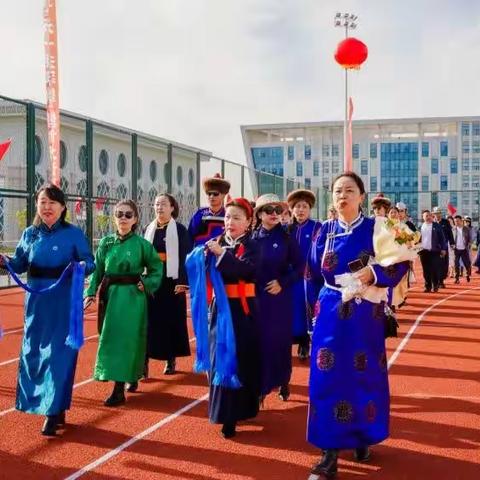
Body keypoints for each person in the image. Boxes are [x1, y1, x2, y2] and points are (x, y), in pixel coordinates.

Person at [307, 172, 409, 478]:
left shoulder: (378, 228)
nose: (342, 196)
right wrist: (310, 315)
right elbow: (311, 274)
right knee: (327, 380)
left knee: (364, 376)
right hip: (329, 313)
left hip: (365, 314)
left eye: (349, 190)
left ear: (361, 196)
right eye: (338, 191)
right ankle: (329, 452)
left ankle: (363, 435)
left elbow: (401, 263)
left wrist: (374, 275)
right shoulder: (323, 231)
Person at [0, 184, 95, 436]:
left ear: (63, 207)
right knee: (34, 356)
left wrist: (80, 267)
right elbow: (19, 263)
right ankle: (52, 405)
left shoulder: (73, 233)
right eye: (42, 202)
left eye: (52, 202)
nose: (46, 207)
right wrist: (4, 261)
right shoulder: (30, 233)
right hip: (36, 304)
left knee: (57, 357)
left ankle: (53, 412)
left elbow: (90, 262)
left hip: (63, 303)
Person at [84, 200, 163, 406]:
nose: (123, 218)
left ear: (136, 219)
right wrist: (90, 292)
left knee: (128, 340)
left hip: (132, 299)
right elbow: (98, 270)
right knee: (110, 339)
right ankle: (128, 376)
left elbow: (156, 268)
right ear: (114, 217)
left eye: (128, 215)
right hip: (109, 298)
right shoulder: (106, 243)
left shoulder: (142, 245)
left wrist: (146, 284)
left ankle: (119, 388)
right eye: (119, 214)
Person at [201, 198, 260, 439]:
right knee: (219, 357)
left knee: (240, 358)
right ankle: (223, 412)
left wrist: (221, 256)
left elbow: (247, 270)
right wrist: (203, 257)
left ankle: (238, 412)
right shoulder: (216, 243)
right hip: (220, 309)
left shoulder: (254, 246)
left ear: (248, 222)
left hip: (243, 310)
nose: (230, 222)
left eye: (236, 218)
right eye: (227, 217)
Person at [251, 194, 303, 402]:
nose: (273, 214)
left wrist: (283, 282)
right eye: (268, 210)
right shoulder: (252, 237)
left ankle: (283, 380)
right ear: (259, 214)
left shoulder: (287, 237)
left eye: (277, 210)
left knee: (279, 342)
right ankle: (260, 388)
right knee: (259, 343)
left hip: (279, 299)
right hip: (255, 299)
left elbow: (300, 267)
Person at [143, 193, 192, 380]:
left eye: (163, 204)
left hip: (172, 281)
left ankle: (170, 359)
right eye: (156, 204)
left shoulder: (179, 230)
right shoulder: (149, 228)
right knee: (148, 321)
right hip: (152, 279)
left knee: (171, 320)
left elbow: (185, 255)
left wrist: (182, 280)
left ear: (172, 207)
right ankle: (144, 362)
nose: (159, 208)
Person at [286, 189, 321, 360]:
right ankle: (294, 339)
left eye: (304, 207)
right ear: (292, 209)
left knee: (308, 308)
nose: (301, 210)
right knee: (292, 309)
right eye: (297, 207)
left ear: (310, 209)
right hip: (291, 276)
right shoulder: (286, 229)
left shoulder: (317, 227)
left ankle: (305, 342)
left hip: (310, 277)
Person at [188, 173, 230, 247]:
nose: (211, 196)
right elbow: (189, 237)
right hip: (200, 255)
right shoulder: (200, 214)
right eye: (209, 194)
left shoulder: (228, 215)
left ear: (223, 195)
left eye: (215, 194)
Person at [419, 210, 447, 293]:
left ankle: (435, 285)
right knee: (426, 270)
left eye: (429, 215)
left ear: (432, 216)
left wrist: (443, 249)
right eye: (426, 216)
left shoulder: (437, 226)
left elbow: (442, 238)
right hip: (423, 251)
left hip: (434, 251)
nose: (428, 217)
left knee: (434, 269)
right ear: (423, 217)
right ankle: (427, 286)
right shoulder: (420, 227)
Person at [432, 206, 454, 288]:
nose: (437, 215)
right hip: (434, 247)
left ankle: (441, 281)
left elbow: (450, 233)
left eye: (439, 213)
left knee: (444, 264)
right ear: (433, 214)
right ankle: (437, 281)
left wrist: (452, 242)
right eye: (436, 214)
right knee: (435, 264)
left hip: (444, 247)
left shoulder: (446, 222)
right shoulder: (432, 223)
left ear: (441, 214)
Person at [452, 215, 472, 283]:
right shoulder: (453, 229)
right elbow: (451, 239)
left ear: (461, 221)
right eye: (455, 221)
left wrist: (469, 243)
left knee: (467, 263)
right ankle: (456, 278)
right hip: (456, 249)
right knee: (456, 264)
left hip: (464, 249)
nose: (456, 222)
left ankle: (467, 274)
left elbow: (470, 237)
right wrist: (452, 245)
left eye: (457, 221)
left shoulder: (466, 229)